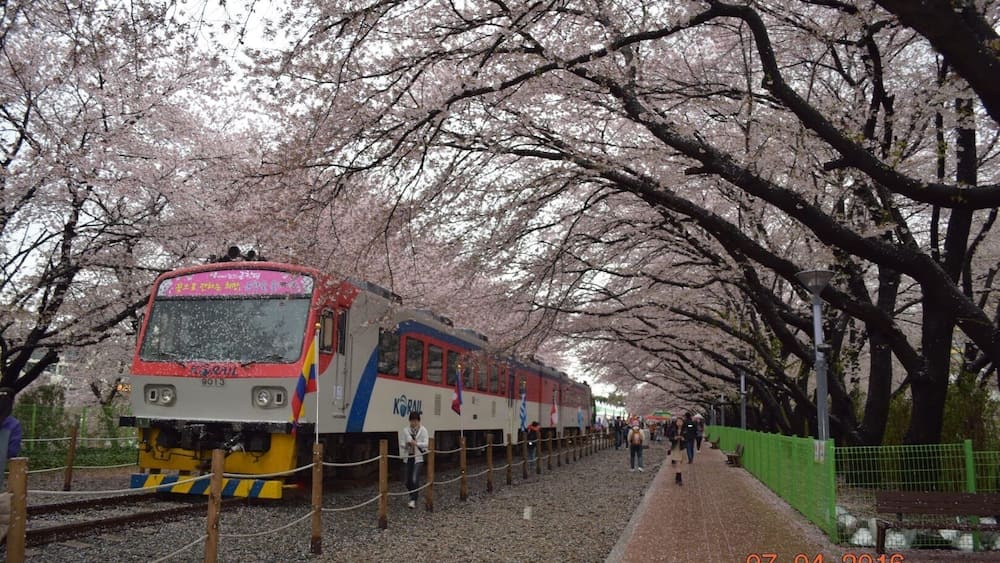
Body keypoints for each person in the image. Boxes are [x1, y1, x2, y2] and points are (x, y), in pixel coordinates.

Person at [398, 411, 429, 509]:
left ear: (419, 421)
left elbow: (427, 444)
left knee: (415, 479)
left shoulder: (423, 430)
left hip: (418, 458)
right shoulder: (406, 430)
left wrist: (417, 444)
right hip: (408, 457)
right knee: (407, 481)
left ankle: (413, 500)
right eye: (412, 421)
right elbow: (402, 443)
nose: (414, 423)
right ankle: (413, 494)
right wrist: (406, 445)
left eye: (415, 421)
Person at [670, 417, 686, 484]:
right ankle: (679, 479)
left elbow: (688, 438)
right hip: (675, 448)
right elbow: (670, 438)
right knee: (678, 463)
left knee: (679, 463)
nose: (679, 423)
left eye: (680, 421)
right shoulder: (673, 430)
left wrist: (683, 439)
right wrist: (675, 438)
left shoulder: (685, 430)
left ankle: (677, 478)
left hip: (682, 448)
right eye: (678, 421)